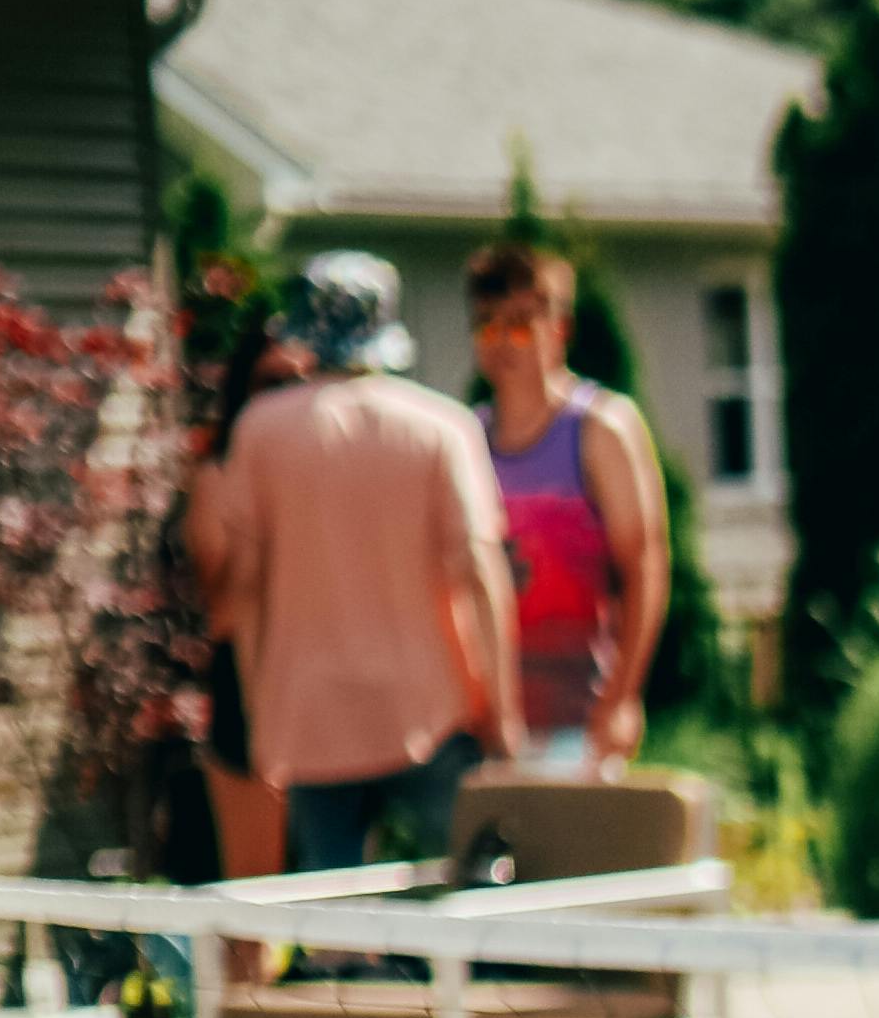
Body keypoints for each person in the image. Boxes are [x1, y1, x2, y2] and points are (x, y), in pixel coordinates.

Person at [187, 252, 519, 884]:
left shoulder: (261, 431)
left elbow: (247, 587)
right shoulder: (440, 425)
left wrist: (262, 718)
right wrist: (501, 714)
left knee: (337, 920)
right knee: (470, 900)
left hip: (311, 717)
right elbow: (481, 573)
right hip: (429, 709)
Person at [467, 238, 668, 774]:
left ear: (558, 329)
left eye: (518, 324)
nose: (501, 341)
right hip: (489, 725)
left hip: (581, 719)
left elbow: (645, 566)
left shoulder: (601, 428)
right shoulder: (467, 438)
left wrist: (624, 698)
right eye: (486, 324)